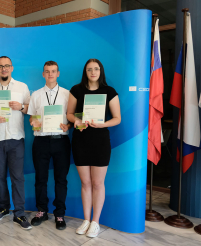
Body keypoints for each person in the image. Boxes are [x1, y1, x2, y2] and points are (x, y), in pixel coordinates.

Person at [66, 59, 121, 238]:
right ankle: (86, 220)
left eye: (96, 69)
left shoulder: (109, 91)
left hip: (100, 141)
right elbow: (69, 114)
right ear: (86, 72)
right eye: (89, 69)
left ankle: (95, 222)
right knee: (85, 183)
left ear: (100, 71)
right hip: (80, 141)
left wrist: (102, 124)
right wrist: (77, 120)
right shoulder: (76, 90)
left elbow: (117, 118)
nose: (93, 72)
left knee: (98, 183)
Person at [0, 56, 32, 230]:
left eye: (7, 66)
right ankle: (3, 207)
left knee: (18, 177)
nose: (4, 69)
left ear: (12, 68)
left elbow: (30, 109)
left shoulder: (22, 87)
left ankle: (19, 213)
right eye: (0, 66)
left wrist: (21, 107)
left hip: (16, 138)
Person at [28, 61, 72, 230]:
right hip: (41, 141)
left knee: (61, 179)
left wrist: (68, 125)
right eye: (47, 71)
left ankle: (59, 214)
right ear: (43, 74)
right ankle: (42, 211)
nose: (50, 74)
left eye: (53, 71)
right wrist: (34, 121)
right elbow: (31, 117)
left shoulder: (67, 94)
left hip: (61, 141)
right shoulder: (36, 95)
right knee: (41, 178)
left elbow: (74, 117)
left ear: (58, 73)